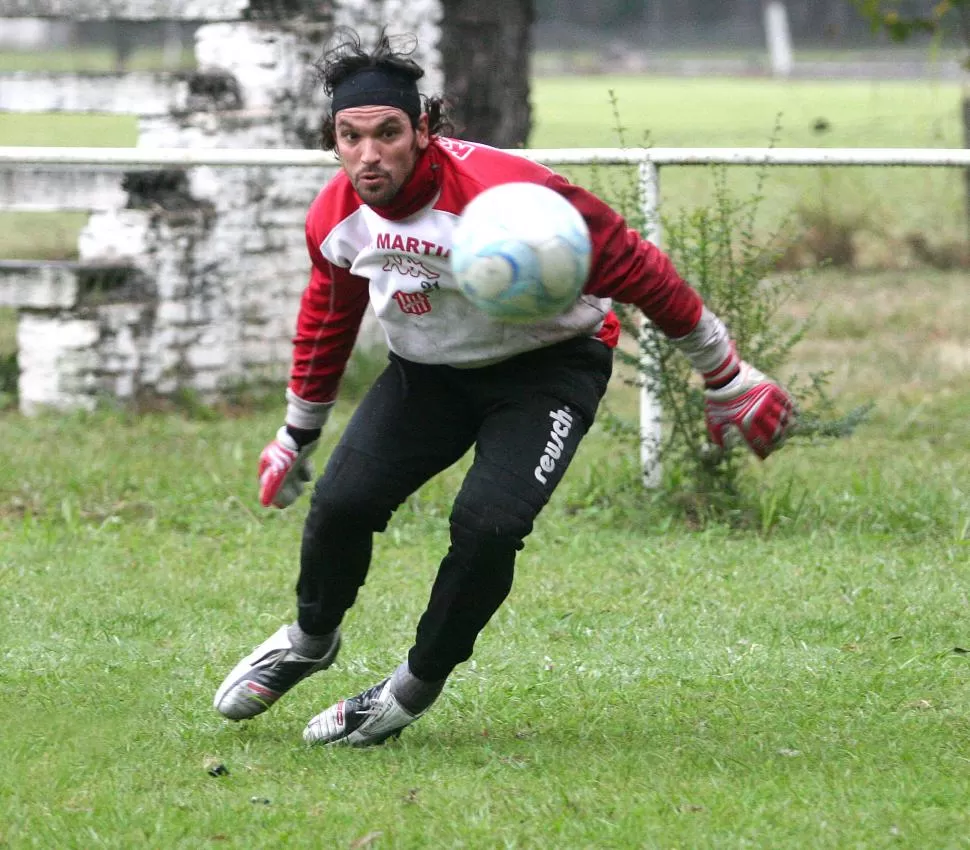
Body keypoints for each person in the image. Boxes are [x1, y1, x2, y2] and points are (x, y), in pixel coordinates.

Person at [213, 29, 795, 747]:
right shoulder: (337, 218)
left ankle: (409, 688)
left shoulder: (511, 193)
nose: (369, 155)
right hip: (426, 377)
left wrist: (725, 373)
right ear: (333, 140)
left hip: (547, 370)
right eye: (350, 136)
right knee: (341, 504)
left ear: (423, 129)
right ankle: (308, 641)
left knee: (489, 525)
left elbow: (639, 268)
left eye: (388, 132)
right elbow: (328, 321)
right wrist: (296, 432)